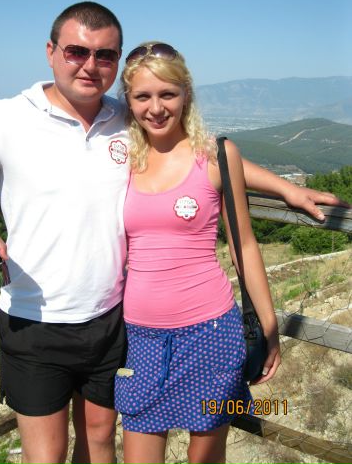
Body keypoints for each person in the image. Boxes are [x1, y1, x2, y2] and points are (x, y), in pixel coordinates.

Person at [0, 2, 345, 464]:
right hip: (51, 322)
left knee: (103, 440)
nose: (90, 65)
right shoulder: (13, 117)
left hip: (121, 322)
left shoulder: (123, 118)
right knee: (50, 454)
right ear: (51, 51)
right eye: (77, 51)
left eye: (104, 55)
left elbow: (210, 159)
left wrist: (287, 188)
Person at [115, 42, 280, 464]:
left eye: (167, 94)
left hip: (211, 333)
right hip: (140, 339)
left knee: (206, 458)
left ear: (186, 93)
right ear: (128, 100)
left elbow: (244, 243)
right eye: (143, 96)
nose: (156, 108)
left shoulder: (215, 156)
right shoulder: (119, 160)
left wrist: (269, 324)